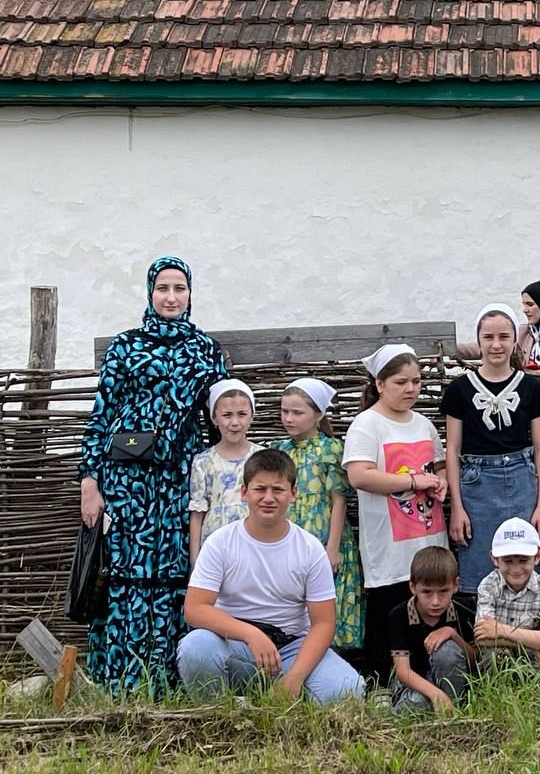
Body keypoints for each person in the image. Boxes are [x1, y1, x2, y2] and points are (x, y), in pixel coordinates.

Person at [78, 255, 228, 695]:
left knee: (178, 568)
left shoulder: (205, 349)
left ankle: (171, 680)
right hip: (127, 481)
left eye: (179, 289)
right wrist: (90, 482)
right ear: (150, 293)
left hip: (181, 478)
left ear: (190, 294)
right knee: (124, 569)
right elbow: (102, 413)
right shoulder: (125, 346)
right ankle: (120, 682)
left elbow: (221, 416)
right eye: (163, 288)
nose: (171, 297)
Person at [177, 449, 364, 704]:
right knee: (195, 647)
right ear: (244, 492)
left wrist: (294, 678)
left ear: (293, 493)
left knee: (347, 689)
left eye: (278, 490)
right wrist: (251, 635)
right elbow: (195, 609)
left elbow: (324, 623)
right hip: (236, 644)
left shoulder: (310, 549)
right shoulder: (220, 543)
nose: (268, 498)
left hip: (291, 647)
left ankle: (286, 697)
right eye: (260, 489)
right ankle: (221, 713)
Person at [343, 343, 448, 684]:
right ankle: (384, 685)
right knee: (391, 616)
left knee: (429, 612)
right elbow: (359, 475)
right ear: (379, 384)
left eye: (416, 381)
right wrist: (414, 481)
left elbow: (439, 466)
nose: (411, 389)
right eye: (401, 382)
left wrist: (440, 483)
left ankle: (431, 682)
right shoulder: (367, 424)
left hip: (428, 538)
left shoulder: (423, 424)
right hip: (389, 548)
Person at [443, 304, 540, 605]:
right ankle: (481, 630)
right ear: (478, 339)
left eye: (504, 337)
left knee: (524, 558)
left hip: (522, 481)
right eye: (488, 337)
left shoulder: (531, 388)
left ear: (515, 340)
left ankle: (528, 628)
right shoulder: (460, 390)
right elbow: (453, 449)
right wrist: (457, 508)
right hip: (476, 485)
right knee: (479, 564)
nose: (496, 344)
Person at [273, 377, 364, 652]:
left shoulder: (330, 449)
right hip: (291, 539)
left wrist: (332, 548)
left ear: (318, 415)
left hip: (325, 540)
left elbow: (339, 500)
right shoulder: (279, 450)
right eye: (284, 411)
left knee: (327, 602)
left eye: (297, 412)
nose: (289, 418)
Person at [388, 546, 475, 714]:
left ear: (455, 585)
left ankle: (454, 709)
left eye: (443, 591)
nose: (435, 601)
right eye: (427, 592)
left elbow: (474, 661)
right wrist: (436, 694)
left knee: (447, 651)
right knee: (416, 705)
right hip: (416, 683)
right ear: (413, 587)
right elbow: (403, 671)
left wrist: (453, 634)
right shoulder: (399, 615)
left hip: (454, 683)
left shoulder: (463, 611)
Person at [189, 379, 264, 565]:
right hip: (215, 546)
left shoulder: (262, 458)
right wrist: (195, 561)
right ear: (214, 419)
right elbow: (197, 514)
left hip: (255, 541)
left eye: (242, 414)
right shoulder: (203, 462)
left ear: (252, 416)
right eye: (227, 415)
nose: (235, 422)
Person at [473, 517, 540, 669]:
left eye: (523, 561)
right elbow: (483, 637)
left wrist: (500, 630)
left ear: (537, 557)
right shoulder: (488, 585)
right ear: (495, 559)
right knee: (493, 655)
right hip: (499, 662)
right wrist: (535, 641)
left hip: (535, 664)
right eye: (508, 561)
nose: (516, 569)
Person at [455, 281, 540, 374]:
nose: (525, 310)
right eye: (524, 304)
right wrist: (450, 349)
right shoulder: (524, 331)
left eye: (530, 304)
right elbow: (483, 347)